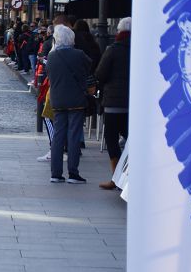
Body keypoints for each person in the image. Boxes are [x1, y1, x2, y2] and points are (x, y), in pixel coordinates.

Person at [46, 25, 93, 183]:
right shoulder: (79, 54)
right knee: (73, 136)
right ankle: (73, 172)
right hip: (76, 100)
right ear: (71, 39)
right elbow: (89, 67)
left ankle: (56, 173)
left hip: (57, 100)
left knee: (58, 136)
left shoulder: (51, 56)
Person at [95, 17, 130, 190]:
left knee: (111, 139)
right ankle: (132, 175)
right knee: (132, 139)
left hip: (114, 104)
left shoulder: (113, 50)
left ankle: (116, 178)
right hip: (134, 104)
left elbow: (100, 74)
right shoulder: (142, 49)